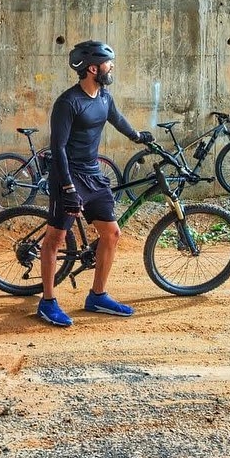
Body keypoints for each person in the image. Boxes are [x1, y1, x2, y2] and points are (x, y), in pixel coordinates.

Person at [37, 40, 154, 326]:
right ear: (92, 68)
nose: (111, 67)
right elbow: (59, 148)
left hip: (93, 174)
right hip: (69, 175)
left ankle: (97, 296)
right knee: (56, 238)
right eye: (107, 63)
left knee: (111, 234)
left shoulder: (104, 97)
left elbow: (118, 120)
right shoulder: (68, 103)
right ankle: (47, 301)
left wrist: (138, 136)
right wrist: (67, 188)